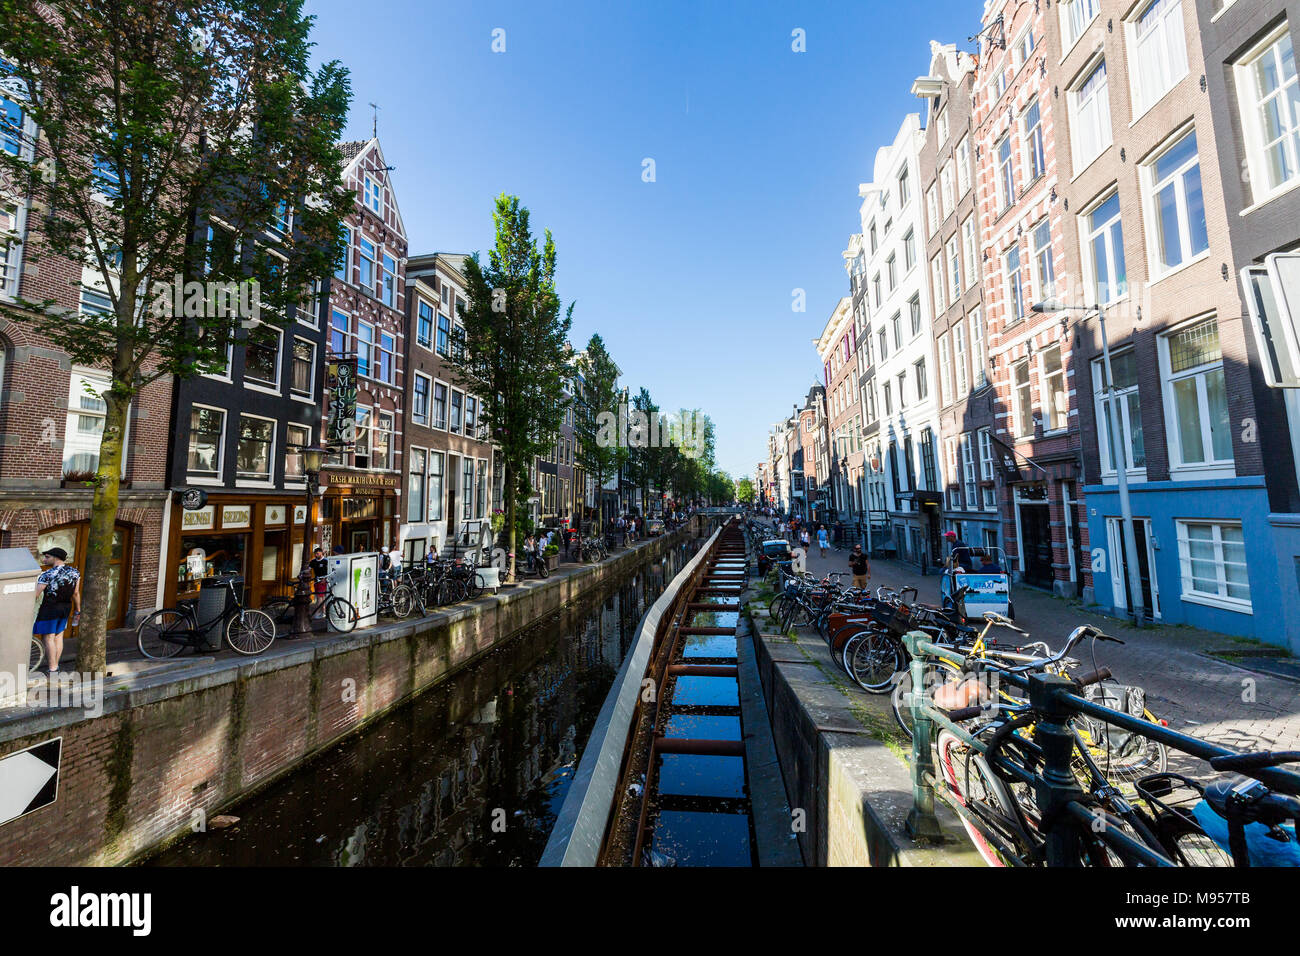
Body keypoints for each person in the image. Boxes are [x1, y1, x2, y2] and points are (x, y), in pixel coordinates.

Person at [33, 547, 81, 675]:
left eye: (47, 557)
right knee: (58, 637)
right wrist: (78, 610)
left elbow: (36, 594)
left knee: (48, 637)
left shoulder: (47, 574)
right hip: (65, 608)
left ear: (55, 557)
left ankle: (52, 669)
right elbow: (76, 593)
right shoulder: (75, 573)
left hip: (49, 608)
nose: (44, 559)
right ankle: (56, 665)